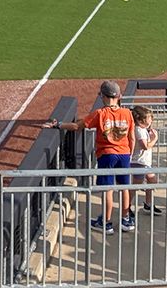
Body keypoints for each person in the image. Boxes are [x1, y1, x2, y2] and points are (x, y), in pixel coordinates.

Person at [46, 80, 135, 233]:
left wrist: (58, 124)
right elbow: (131, 137)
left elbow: (76, 126)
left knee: (107, 189)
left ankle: (106, 223)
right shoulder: (127, 113)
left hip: (107, 155)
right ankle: (126, 220)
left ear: (102, 96)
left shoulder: (100, 113)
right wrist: (129, 155)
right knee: (124, 187)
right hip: (124, 154)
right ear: (120, 96)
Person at [130, 106, 164, 215]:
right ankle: (127, 206)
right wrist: (154, 139)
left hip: (144, 162)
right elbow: (145, 146)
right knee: (136, 185)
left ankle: (148, 204)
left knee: (152, 180)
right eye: (149, 118)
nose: (151, 120)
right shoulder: (138, 130)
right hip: (138, 162)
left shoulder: (143, 130)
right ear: (140, 120)